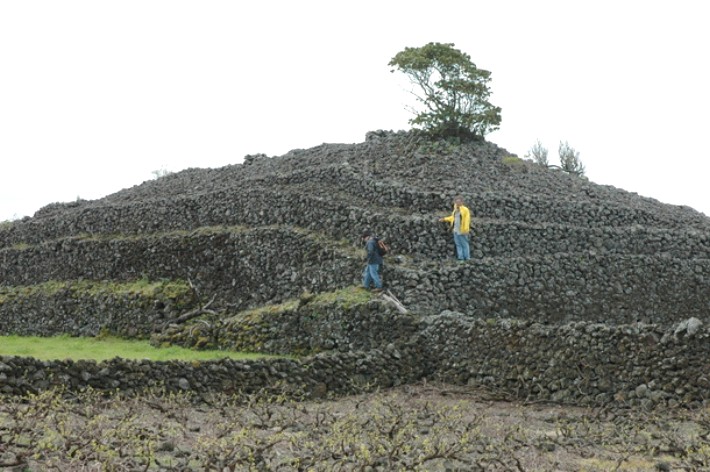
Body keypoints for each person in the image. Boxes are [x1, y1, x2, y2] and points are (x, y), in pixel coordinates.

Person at [438, 196, 471, 261]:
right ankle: (461, 258)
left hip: (462, 231)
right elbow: (452, 218)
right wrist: (444, 219)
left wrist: (466, 230)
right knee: (458, 244)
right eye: (456, 202)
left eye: (459, 202)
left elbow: (467, 220)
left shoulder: (465, 210)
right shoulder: (455, 210)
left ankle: (467, 258)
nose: (457, 203)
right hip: (456, 230)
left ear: (462, 202)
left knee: (464, 244)